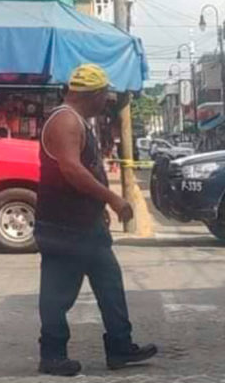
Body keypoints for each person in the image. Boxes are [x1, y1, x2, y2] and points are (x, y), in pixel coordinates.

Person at [36, 64, 157, 376]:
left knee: (109, 283)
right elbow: (72, 170)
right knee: (57, 293)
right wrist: (112, 198)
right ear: (92, 94)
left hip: (83, 225)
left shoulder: (78, 120)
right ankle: (52, 354)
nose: (107, 100)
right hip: (64, 226)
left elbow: (83, 171)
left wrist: (98, 208)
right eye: (105, 94)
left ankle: (119, 346)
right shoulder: (65, 121)